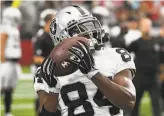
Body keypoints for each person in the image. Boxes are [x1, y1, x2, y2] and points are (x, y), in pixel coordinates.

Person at [33, 5, 136, 116]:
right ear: (62, 36)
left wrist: (93, 73)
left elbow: (128, 103)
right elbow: (46, 114)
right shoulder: (50, 69)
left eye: (90, 27)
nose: (90, 33)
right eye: (81, 30)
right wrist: (53, 89)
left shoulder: (115, 55)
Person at [127, 17, 162, 116]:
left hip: (153, 77)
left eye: (148, 25)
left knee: (156, 103)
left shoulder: (157, 41)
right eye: (144, 25)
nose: (147, 28)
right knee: (135, 103)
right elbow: (125, 52)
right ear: (140, 27)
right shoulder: (136, 43)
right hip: (139, 77)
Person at [31, 9, 57, 116]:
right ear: (47, 22)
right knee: (43, 95)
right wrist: (52, 62)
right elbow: (36, 58)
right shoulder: (41, 36)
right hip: (41, 71)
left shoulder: (54, 36)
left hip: (52, 70)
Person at [0, 7, 22, 116]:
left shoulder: (15, 29)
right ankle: (7, 111)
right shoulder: (5, 28)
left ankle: (7, 112)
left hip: (13, 62)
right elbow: (2, 42)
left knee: (9, 88)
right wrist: (2, 59)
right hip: (6, 62)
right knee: (3, 87)